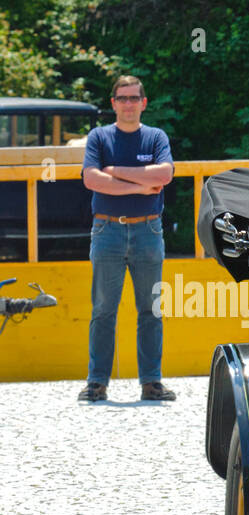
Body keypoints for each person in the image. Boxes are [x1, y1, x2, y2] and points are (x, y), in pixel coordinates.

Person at [78, 75, 175, 403]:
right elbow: (92, 179)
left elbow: (164, 175)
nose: (129, 104)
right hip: (107, 231)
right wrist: (138, 185)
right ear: (113, 104)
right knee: (103, 308)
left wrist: (116, 170)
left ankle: (151, 382)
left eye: (134, 98)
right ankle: (97, 382)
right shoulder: (99, 137)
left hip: (148, 230)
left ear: (143, 103)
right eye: (123, 98)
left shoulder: (155, 137)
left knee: (151, 308)